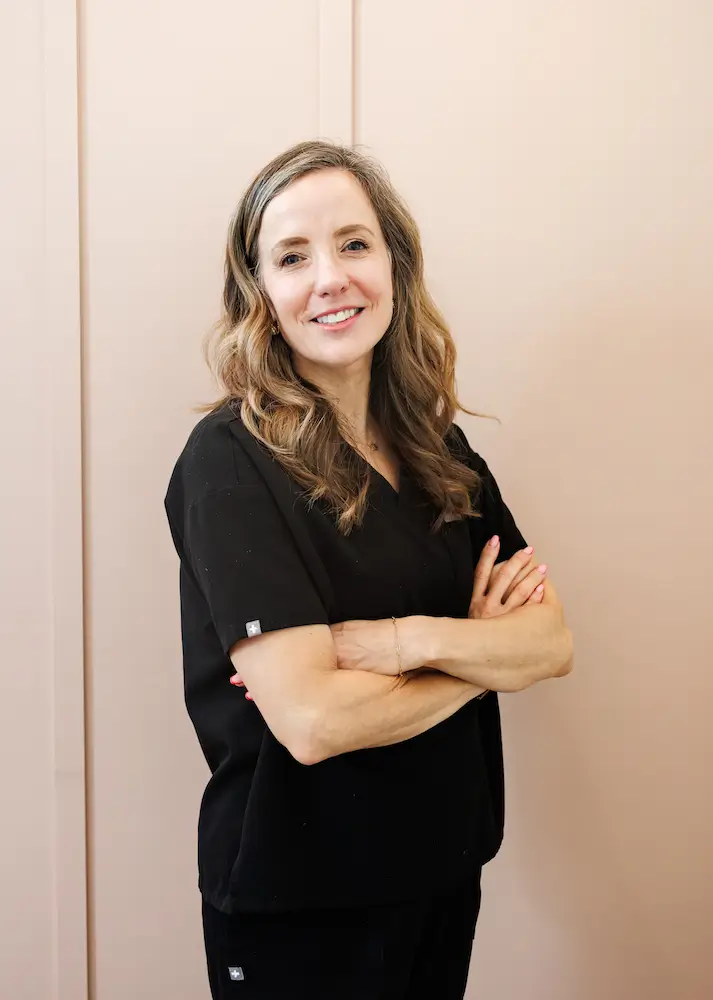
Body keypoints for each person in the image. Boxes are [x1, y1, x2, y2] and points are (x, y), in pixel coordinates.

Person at [164, 139, 573, 1000]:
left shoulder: (437, 452)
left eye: (353, 243)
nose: (329, 278)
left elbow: (548, 644)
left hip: (441, 868)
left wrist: (401, 643)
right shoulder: (229, 463)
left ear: (395, 262)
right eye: (292, 256)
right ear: (259, 295)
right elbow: (311, 721)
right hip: (302, 898)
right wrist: (475, 659)